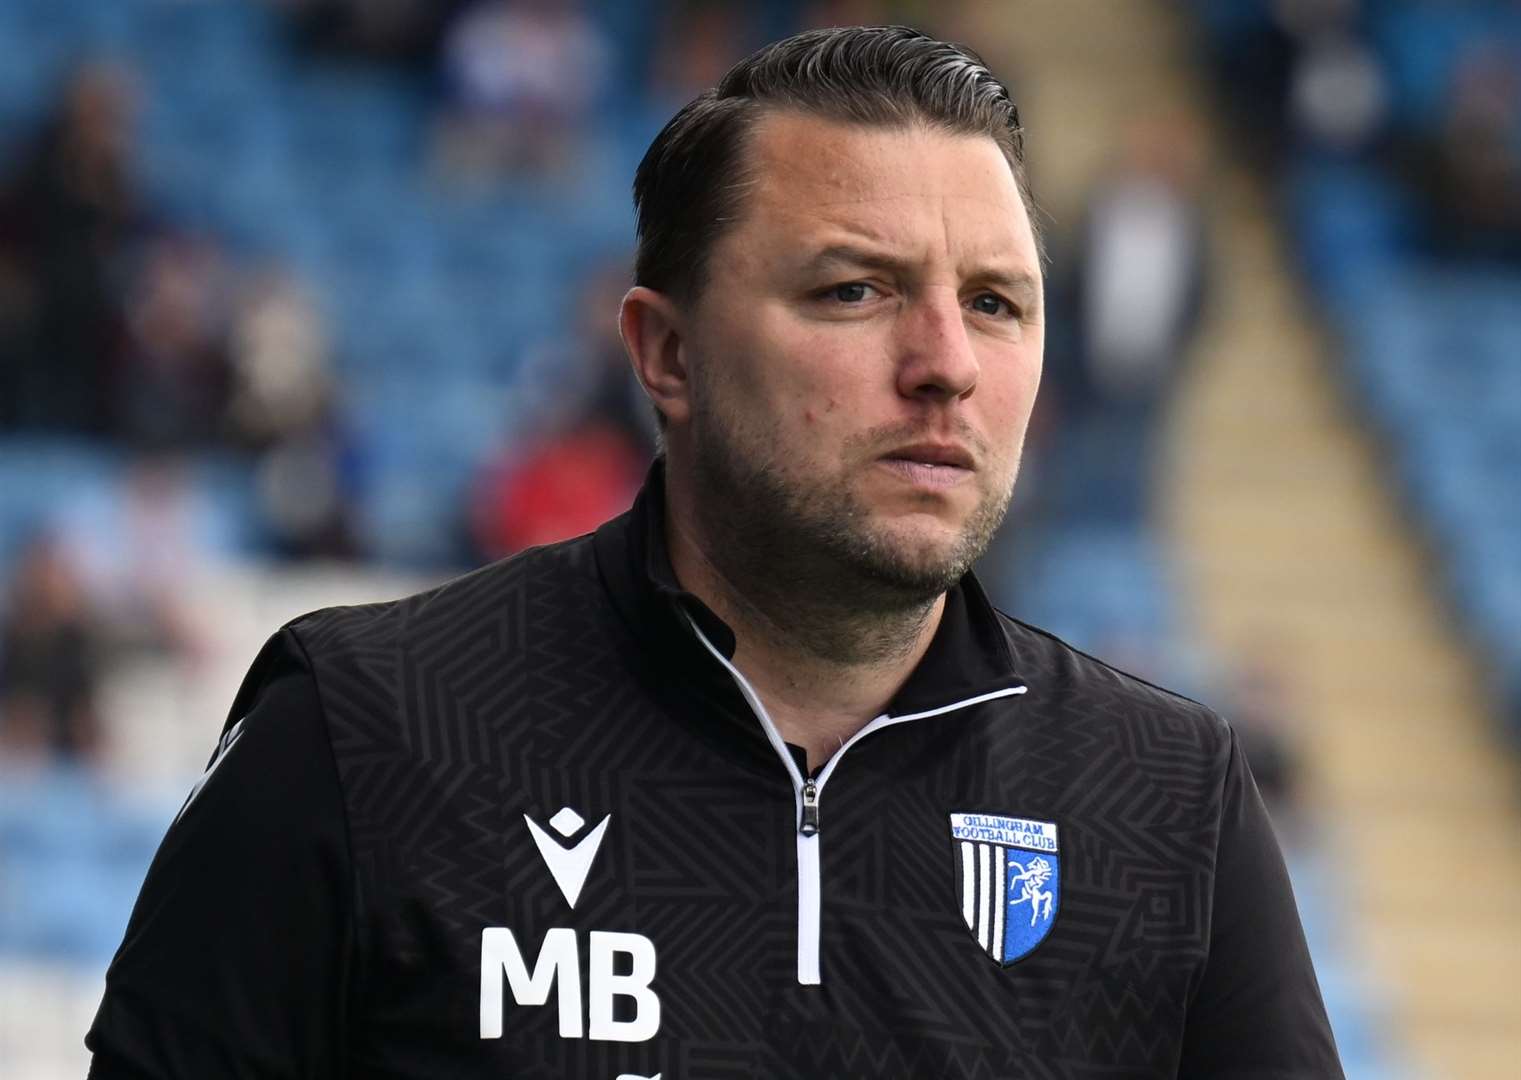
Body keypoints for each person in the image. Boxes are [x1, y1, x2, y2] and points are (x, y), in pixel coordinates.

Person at [86, 26, 1343, 1078]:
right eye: (855, 290)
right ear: (665, 354)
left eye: (997, 304)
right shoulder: (366, 731)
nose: (947, 362)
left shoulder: (1170, 802)